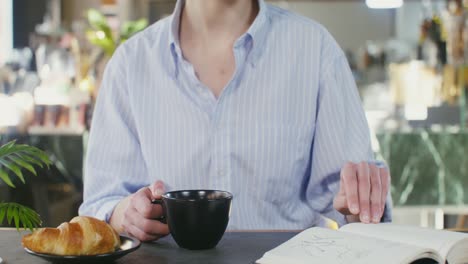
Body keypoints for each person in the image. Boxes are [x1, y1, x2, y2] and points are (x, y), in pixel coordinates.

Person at [79, 0, 392, 242]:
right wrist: (124, 213)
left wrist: (361, 205)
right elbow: (102, 201)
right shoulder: (131, 64)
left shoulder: (315, 50)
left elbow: (351, 203)